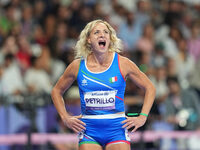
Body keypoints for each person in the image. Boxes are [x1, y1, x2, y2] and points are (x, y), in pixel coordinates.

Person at [51, 19, 156, 150]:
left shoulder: (123, 63)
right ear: (88, 39)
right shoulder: (77, 66)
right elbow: (56, 91)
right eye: (97, 32)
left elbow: (150, 88)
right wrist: (65, 117)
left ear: (110, 38)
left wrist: (143, 117)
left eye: (106, 32)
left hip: (116, 131)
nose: (102, 35)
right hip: (90, 131)